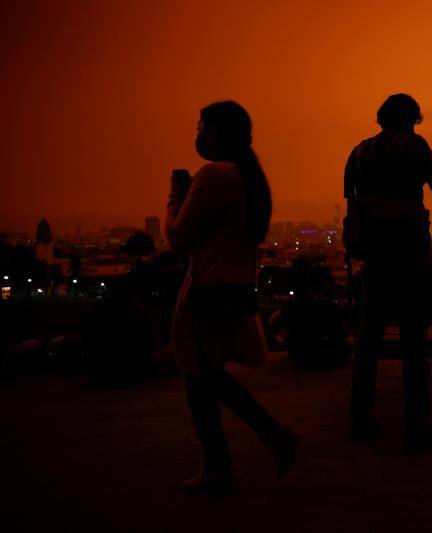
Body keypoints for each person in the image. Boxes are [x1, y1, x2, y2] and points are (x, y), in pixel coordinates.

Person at [166, 100, 299, 494]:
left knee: (200, 377)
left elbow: (178, 239)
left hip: (209, 290)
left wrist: (175, 197)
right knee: (206, 377)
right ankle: (260, 441)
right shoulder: (247, 176)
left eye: (202, 127)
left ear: (217, 133)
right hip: (234, 288)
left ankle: (234, 456)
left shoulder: (215, 174)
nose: (199, 135)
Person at [345, 93, 432, 451]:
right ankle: (416, 424)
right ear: (412, 119)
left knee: (368, 344)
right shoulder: (414, 146)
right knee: (413, 346)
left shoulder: (359, 152)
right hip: (409, 258)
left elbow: (350, 198)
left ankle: (360, 419)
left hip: (373, 258)